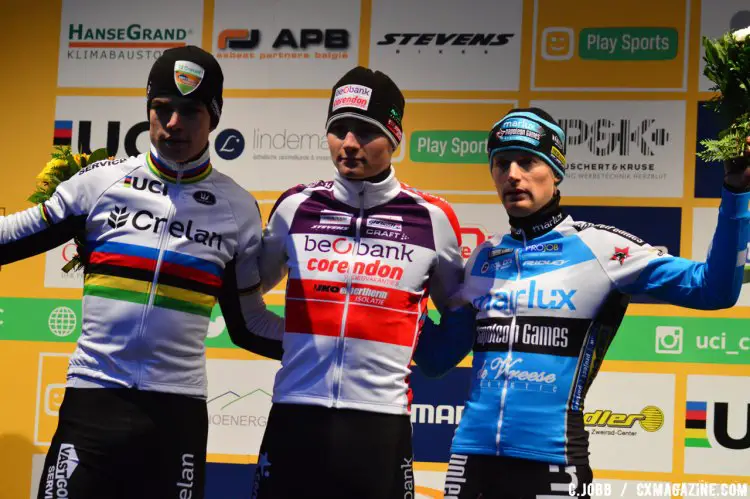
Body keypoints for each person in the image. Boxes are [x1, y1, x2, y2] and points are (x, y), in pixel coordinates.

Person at [414, 108, 750, 499]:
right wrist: (402, 290)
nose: (512, 175)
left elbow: (714, 290)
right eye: (501, 163)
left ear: (556, 171)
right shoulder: (483, 260)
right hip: (470, 456)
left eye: (527, 161)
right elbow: (436, 361)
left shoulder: (602, 249)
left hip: (553, 458)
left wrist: (736, 191)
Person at [0, 46, 283, 498]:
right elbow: (18, 234)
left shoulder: (237, 209)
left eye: (190, 111)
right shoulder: (102, 183)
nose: (173, 123)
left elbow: (249, 323)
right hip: (93, 401)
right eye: (162, 108)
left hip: (176, 415)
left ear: (213, 119)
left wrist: (340, 345)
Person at [252, 66, 468, 498]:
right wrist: (296, 341)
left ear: (394, 138)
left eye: (365, 131)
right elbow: (246, 291)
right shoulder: (296, 206)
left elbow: (454, 325)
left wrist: (403, 333)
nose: (349, 144)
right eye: (339, 129)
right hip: (296, 414)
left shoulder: (432, 218)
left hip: (379, 424)